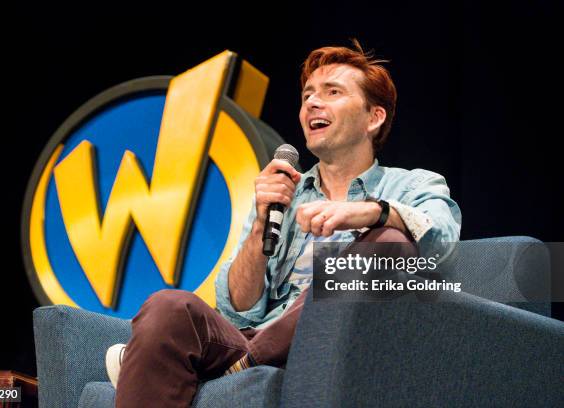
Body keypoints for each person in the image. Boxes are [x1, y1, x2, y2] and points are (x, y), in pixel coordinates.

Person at [114, 39, 462, 407]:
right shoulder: (283, 194)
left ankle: (240, 364)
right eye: (308, 94)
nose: (312, 102)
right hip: (255, 337)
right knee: (168, 306)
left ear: (373, 118)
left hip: (351, 344)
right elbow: (238, 309)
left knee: (390, 242)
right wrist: (262, 223)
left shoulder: (413, 185)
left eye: (332, 92)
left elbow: (443, 247)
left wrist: (374, 212)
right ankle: (241, 359)